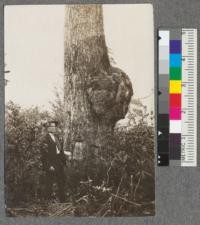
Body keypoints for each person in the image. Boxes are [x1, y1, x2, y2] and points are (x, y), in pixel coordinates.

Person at [41, 120, 66, 202]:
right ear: (48, 128)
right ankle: (47, 201)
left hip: (59, 162)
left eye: (54, 126)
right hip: (51, 162)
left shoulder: (56, 137)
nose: (54, 128)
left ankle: (63, 200)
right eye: (52, 126)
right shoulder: (45, 138)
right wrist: (49, 165)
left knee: (61, 181)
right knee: (49, 182)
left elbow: (59, 150)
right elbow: (44, 154)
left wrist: (63, 160)